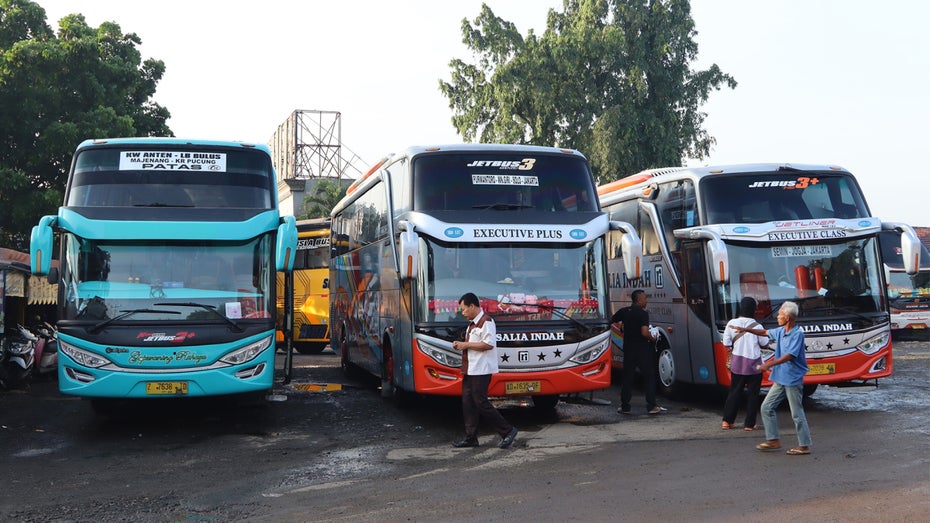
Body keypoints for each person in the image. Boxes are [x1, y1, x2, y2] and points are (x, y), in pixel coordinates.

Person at [734, 301, 812, 455]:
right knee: (766, 407)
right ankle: (773, 440)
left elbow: (789, 356)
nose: (777, 317)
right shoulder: (781, 331)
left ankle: (804, 445)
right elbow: (765, 333)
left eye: (780, 315)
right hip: (781, 378)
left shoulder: (797, 334)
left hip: (792, 379)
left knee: (796, 413)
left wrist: (768, 365)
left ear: (788, 318)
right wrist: (746, 330)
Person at [451, 292, 518, 449]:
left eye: (464, 309)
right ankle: (471, 437)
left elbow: (488, 344)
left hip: (481, 369)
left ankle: (508, 431)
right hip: (470, 368)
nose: (463, 312)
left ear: (472, 306)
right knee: (468, 403)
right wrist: (460, 344)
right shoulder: (472, 324)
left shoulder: (486, 321)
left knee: (480, 402)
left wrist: (465, 345)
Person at [612, 289, 664, 415]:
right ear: (639, 300)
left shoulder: (624, 311)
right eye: (645, 298)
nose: (646, 301)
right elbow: (644, 332)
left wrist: (621, 327)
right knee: (649, 377)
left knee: (627, 378)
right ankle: (652, 406)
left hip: (629, 349)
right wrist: (654, 338)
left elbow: (612, 319)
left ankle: (625, 406)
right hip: (642, 351)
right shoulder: (643, 314)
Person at [721, 297, 768, 430]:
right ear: (754, 309)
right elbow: (764, 343)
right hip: (754, 365)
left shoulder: (731, 323)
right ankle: (749, 424)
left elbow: (726, 343)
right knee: (753, 395)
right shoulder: (757, 326)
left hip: (738, 364)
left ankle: (727, 421)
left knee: (734, 392)